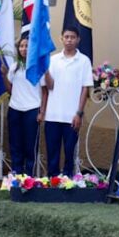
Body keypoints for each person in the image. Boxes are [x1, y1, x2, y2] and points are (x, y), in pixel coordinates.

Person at [42, 27, 93, 177]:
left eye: (72, 37)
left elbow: (85, 88)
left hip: (71, 116)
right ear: (61, 39)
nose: (69, 40)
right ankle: (52, 179)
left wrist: (79, 113)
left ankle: (68, 181)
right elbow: (49, 86)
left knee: (69, 152)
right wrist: (46, 72)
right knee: (52, 151)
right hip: (52, 115)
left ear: (78, 39)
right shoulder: (53, 60)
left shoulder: (84, 61)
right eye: (66, 37)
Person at [2, 37, 42, 175]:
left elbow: (45, 90)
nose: (24, 49)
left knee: (30, 144)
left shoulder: (37, 67)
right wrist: (4, 75)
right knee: (15, 143)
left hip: (32, 109)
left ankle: (29, 175)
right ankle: (17, 172)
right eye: (21, 46)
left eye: (27, 46)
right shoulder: (14, 67)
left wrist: (42, 111)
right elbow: (10, 89)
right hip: (15, 109)